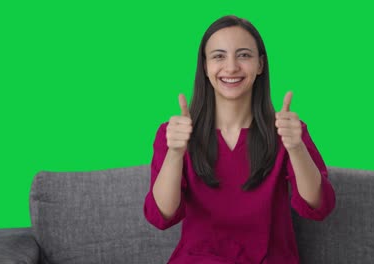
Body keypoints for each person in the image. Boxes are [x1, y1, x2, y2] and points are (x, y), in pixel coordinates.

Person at [143, 15, 336, 264]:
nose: (231, 67)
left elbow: (319, 207)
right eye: (219, 56)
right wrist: (175, 153)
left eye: (244, 55)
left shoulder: (288, 131)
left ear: (260, 65)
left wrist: (296, 149)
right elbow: (162, 216)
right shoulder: (174, 134)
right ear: (204, 66)